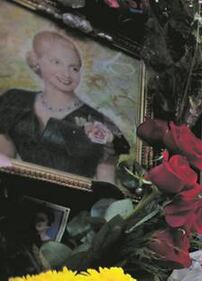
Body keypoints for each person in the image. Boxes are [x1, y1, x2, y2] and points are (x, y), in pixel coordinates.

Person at [0, 31, 128, 182]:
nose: (66, 74)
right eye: (56, 62)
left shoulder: (100, 123)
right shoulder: (16, 100)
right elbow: (4, 160)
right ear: (37, 61)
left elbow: (106, 185)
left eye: (74, 68)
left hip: (74, 201)